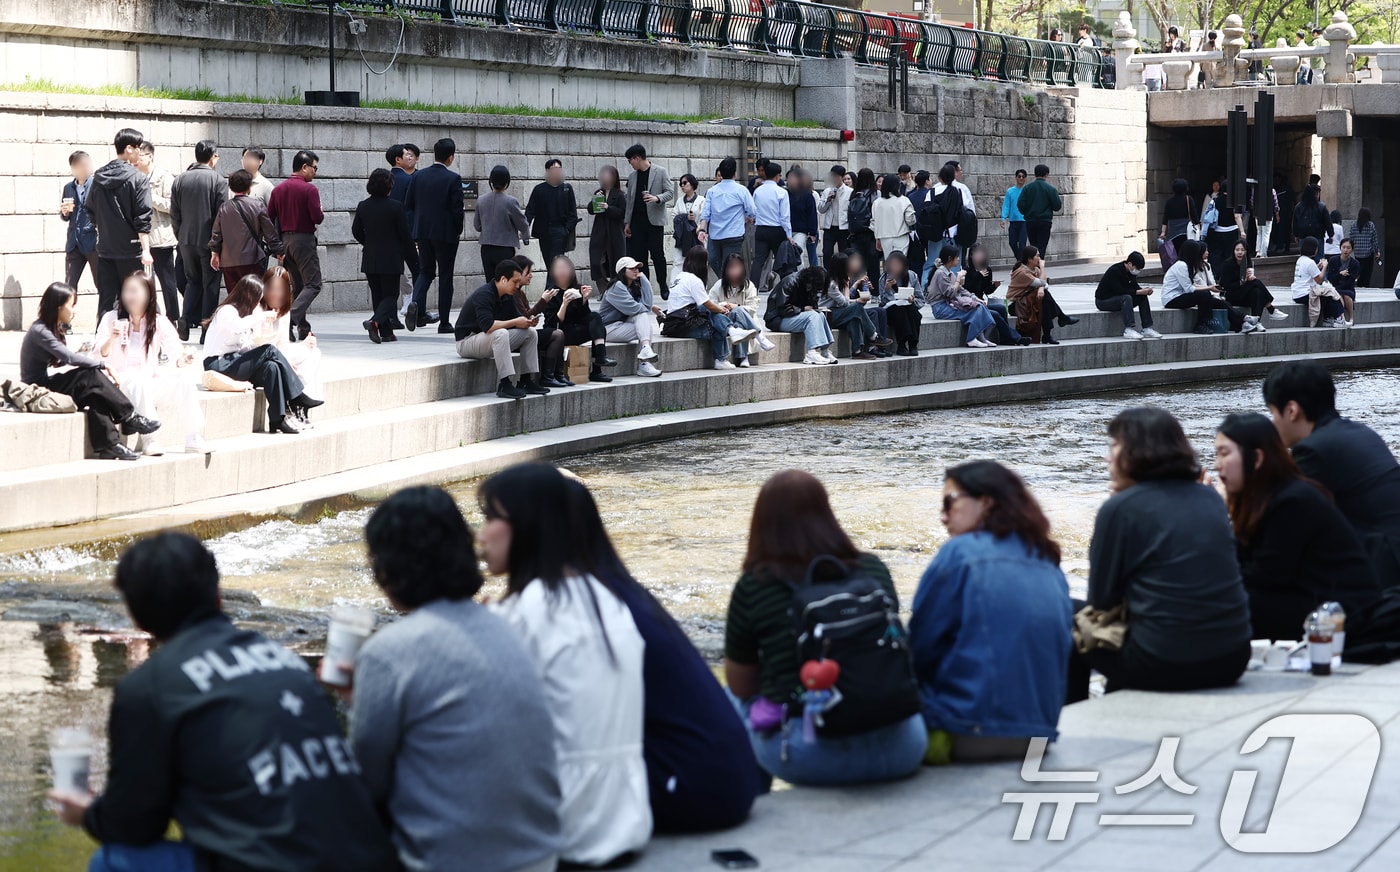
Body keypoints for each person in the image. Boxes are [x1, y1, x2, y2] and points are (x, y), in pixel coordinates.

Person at [47, 533, 399, 872]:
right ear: (217, 596)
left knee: (114, 860)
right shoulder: (286, 662)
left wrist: (89, 813)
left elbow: (137, 826)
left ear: (137, 619)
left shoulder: (148, 688)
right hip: (373, 857)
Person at [348, 487, 564, 872]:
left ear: (387, 569)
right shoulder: (506, 627)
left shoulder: (389, 652)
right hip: (540, 854)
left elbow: (365, 781)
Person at [551, 469, 761, 831]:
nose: (482, 534)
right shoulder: (617, 587)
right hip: (736, 774)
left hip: (697, 789)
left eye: (498, 518)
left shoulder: (592, 605)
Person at [481, 466, 653, 867]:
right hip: (624, 820)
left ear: (525, 526)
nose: (482, 534)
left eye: (491, 518)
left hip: (560, 829)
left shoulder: (527, 611)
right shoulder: (605, 597)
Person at [725, 469, 928, 785]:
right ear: (827, 512)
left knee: (732, 699)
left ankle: (757, 811)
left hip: (813, 759)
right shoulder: (872, 568)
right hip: (904, 747)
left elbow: (742, 686)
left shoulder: (755, 585)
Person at [1066, 408, 1252, 702]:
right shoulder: (1209, 498)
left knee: (1065, 617)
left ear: (1136, 453)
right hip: (1232, 658)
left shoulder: (1120, 509)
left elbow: (1101, 602)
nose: (1107, 457)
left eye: (1114, 446)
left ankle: (1073, 719)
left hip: (1163, 663)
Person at [910, 461, 1072, 763]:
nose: (943, 516)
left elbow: (920, 649)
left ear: (985, 503)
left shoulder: (958, 554)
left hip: (966, 732)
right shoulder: (1046, 559)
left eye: (950, 501)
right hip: (1039, 735)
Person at [1214, 413, 1381, 641]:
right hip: (1309, 598)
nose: (1217, 465)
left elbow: (1267, 575)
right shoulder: (1265, 498)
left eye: (1224, 453)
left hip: (1343, 611)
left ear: (1257, 458)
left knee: (1225, 600)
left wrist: (1217, 518)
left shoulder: (1292, 500)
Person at [1265, 361, 1400, 586]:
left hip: (1384, 575)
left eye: (1272, 413)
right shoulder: (1361, 432)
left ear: (1291, 410)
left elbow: (1284, 518)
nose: (1273, 423)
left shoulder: (1314, 449)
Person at [20, 282, 157, 461]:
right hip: (37, 390)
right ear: (59, 307)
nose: (74, 311)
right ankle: (129, 417)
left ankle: (110, 445)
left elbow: (60, 361)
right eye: (72, 305)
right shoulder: (40, 331)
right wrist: (104, 364)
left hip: (45, 383)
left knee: (95, 393)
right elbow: (69, 359)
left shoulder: (50, 328)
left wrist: (82, 352)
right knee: (92, 374)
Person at [95, 272, 205, 455]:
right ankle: (150, 439)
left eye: (135, 291)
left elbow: (175, 349)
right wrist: (112, 338)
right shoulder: (110, 318)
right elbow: (98, 355)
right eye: (127, 291)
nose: (130, 296)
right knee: (137, 380)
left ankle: (193, 437)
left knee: (184, 379)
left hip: (148, 381)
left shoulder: (158, 321)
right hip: (119, 383)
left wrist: (183, 358)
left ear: (148, 295)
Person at [202, 275, 316, 434]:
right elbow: (238, 326)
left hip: (234, 361)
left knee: (271, 367)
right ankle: (297, 396)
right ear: (248, 296)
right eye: (257, 299)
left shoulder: (243, 315)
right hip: (218, 364)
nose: (257, 303)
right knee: (269, 349)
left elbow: (246, 347)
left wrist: (280, 359)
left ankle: (277, 420)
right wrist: (261, 316)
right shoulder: (226, 311)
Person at [455, 260, 547, 400]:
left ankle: (526, 380)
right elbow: (488, 326)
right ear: (503, 279)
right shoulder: (484, 294)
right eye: (515, 281)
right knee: (501, 333)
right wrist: (516, 322)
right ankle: (505, 384)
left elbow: (517, 319)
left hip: (486, 339)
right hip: (466, 342)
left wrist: (527, 323)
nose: (517, 285)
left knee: (531, 333)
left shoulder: (508, 296)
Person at [88, 128, 154, 318]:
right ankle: (133, 343)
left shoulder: (98, 178)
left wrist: (103, 227)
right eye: (138, 148)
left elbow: (89, 209)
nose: (140, 152)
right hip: (131, 250)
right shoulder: (138, 179)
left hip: (105, 248)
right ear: (128, 149)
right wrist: (146, 250)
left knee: (107, 300)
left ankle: (104, 343)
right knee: (135, 300)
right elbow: (143, 217)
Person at [352, 167, 419, 344]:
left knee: (378, 295)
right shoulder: (395, 207)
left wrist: (369, 242)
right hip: (390, 257)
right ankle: (374, 321)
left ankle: (386, 332)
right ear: (389, 186)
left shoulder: (363, 206)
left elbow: (356, 231)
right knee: (390, 295)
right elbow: (405, 236)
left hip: (370, 257)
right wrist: (415, 260)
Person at [405, 138, 465, 333]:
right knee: (446, 276)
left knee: (426, 271)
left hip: (422, 233)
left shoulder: (418, 176)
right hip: (446, 235)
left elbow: (409, 205)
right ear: (451, 157)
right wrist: (457, 230)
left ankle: (415, 302)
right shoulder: (453, 179)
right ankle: (445, 322)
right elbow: (457, 210)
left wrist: (416, 230)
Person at [171, 140, 228, 337]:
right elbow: (222, 216)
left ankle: (185, 318)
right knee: (210, 285)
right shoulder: (218, 180)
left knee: (192, 281)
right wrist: (217, 245)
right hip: (209, 242)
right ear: (213, 157)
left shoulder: (180, 180)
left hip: (186, 240)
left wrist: (180, 236)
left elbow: (174, 214)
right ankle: (206, 330)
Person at [665, 246, 756, 370]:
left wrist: (718, 308)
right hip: (683, 325)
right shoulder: (694, 280)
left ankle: (731, 333)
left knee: (713, 314)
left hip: (675, 322)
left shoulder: (680, 277)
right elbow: (706, 304)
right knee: (716, 326)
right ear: (701, 263)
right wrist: (721, 309)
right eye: (706, 261)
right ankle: (721, 357)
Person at [266, 149, 325, 340]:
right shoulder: (310, 190)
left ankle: (302, 328)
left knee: (299, 287)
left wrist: (276, 246)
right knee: (314, 284)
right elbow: (317, 217)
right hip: (304, 240)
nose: (315, 172)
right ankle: (288, 320)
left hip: (285, 241)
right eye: (314, 168)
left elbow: (269, 219)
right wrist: (320, 211)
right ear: (304, 167)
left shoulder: (278, 190)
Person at [259, 265, 324, 425]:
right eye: (272, 288)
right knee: (297, 358)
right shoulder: (257, 309)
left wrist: (303, 344)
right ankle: (297, 403)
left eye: (280, 289)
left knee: (314, 352)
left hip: (278, 352)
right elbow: (257, 344)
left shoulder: (284, 310)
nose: (276, 294)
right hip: (262, 357)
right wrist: (285, 360)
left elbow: (282, 344)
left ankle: (303, 405)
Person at [209, 169, 284, 296]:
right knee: (252, 297)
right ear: (249, 187)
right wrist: (279, 251)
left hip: (228, 261)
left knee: (234, 298)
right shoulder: (258, 206)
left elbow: (216, 234)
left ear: (232, 188)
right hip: (252, 259)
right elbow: (270, 233)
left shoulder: (224, 207)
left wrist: (214, 253)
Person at [545, 255, 616, 383]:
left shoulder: (577, 288)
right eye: (559, 268)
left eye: (565, 268)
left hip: (576, 329)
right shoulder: (551, 293)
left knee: (597, 320)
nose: (563, 272)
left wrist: (584, 299)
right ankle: (600, 359)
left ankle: (598, 365)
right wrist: (565, 303)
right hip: (561, 333)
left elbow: (584, 318)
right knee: (597, 326)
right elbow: (553, 323)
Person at [133, 142, 180, 322]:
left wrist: (150, 198)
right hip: (140, 238)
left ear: (150, 156)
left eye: (140, 156)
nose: (136, 160)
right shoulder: (134, 177)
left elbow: (172, 206)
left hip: (161, 238)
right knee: (145, 282)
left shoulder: (165, 178)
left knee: (168, 282)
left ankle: (172, 319)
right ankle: (151, 317)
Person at [506, 255, 569, 387]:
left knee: (559, 333)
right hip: (516, 336)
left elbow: (527, 316)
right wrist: (543, 301)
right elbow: (524, 316)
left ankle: (558, 374)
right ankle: (548, 377)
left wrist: (532, 320)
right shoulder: (512, 293)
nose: (531, 275)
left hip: (525, 332)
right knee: (557, 335)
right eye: (528, 272)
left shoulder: (520, 293)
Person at [599, 256, 664, 378]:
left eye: (637, 268)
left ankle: (645, 354)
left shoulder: (632, 287)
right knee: (642, 317)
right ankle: (644, 359)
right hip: (607, 328)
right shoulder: (616, 287)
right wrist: (649, 307)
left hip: (619, 325)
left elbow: (645, 304)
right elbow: (637, 308)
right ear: (622, 271)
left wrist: (644, 279)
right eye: (632, 268)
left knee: (645, 326)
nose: (636, 271)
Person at [709, 253, 777, 367]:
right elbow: (711, 303)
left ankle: (743, 357)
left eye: (737, 267)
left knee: (739, 313)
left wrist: (737, 306)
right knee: (737, 312)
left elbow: (753, 307)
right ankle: (758, 336)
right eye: (731, 267)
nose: (734, 271)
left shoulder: (748, 285)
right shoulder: (719, 285)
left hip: (745, 320)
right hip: (724, 319)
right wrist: (723, 306)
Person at [623, 144, 675, 290]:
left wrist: (656, 198)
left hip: (654, 222)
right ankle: (645, 288)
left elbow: (670, 192)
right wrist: (627, 223)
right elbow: (630, 201)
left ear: (637, 158)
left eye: (630, 161)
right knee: (640, 258)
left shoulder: (660, 172)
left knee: (658, 255)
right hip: (637, 222)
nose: (630, 164)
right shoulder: (633, 176)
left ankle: (663, 285)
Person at [473, 164, 529, 295]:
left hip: (486, 248)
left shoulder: (481, 200)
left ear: (491, 182)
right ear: (507, 182)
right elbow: (523, 224)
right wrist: (524, 237)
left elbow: (477, 226)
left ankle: (492, 311)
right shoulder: (511, 201)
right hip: (505, 249)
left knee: (490, 283)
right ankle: (504, 313)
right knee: (507, 284)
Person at [698, 157, 756, 281]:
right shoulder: (741, 190)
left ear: (721, 174)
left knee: (717, 262)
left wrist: (702, 229)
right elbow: (752, 210)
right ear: (735, 173)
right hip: (734, 234)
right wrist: (748, 217)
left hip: (716, 235)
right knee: (730, 265)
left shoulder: (712, 191)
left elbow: (705, 214)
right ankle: (728, 284)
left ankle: (727, 284)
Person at [525, 159, 580, 291]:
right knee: (550, 264)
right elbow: (530, 210)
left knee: (555, 263)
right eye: (554, 169)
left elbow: (573, 213)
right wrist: (525, 229)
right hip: (543, 232)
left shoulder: (567, 188)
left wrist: (566, 229)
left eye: (559, 169)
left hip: (560, 232)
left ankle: (549, 294)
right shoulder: (539, 189)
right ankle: (557, 292)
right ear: (548, 172)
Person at [766, 266, 838, 365]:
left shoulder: (809, 287)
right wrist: (802, 309)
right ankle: (811, 353)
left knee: (820, 314)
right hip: (777, 319)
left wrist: (812, 305)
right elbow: (782, 308)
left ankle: (824, 351)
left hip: (792, 316)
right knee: (812, 316)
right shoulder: (790, 282)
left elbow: (811, 306)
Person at [928, 246, 997, 349]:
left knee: (979, 305)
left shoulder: (948, 272)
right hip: (940, 307)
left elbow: (961, 290)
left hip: (948, 304)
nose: (959, 259)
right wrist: (958, 279)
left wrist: (975, 298)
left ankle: (981, 337)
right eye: (957, 257)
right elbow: (950, 293)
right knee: (974, 310)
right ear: (950, 258)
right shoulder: (940, 274)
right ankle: (971, 338)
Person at [1007, 245, 1077, 345]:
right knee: (1044, 297)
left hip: (1027, 301)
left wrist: (1041, 289)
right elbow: (1043, 282)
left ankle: (1049, 333)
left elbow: (1045, 284)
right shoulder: (1022, 272)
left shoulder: (1035, 269)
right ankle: (1059, 321)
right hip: (1015, 306)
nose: (1040, 259)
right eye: (1037, 256)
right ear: (1030, 259)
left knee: (1044, 300)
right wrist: (1042, 268)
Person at [824, 251, 887, 359]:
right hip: (827, 316)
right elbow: (845, 302)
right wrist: (848, 286)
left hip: (837, 313)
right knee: (857, 308)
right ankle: (873, 336)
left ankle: (857, 351)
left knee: (854, 318)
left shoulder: (838, 280)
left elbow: (845, 303)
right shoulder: (832, 284)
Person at [1161, 239, 1233, 335]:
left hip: (1180, 295)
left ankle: (1239, 319)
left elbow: (1193, 285)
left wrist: (1211, 288)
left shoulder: (1187, 265)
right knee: (1204, 295)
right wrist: (1209, 288)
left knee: (1215, 301)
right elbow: (1189, 288)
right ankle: (1201, 325)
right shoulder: (1181, 265)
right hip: (1171, 299)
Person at [387, 143, 423, 329]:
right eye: (404, 155)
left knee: (393, 274)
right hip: (407, 233)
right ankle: (418, 309)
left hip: (388, 235)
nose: (408, 157)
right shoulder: (410, 180)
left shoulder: (385, 179)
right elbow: (414, 208)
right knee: (418, 271)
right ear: (398, 160)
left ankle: (392, 316)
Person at [963, 243, 1028, 346]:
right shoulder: (967, 271)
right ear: (971, 255)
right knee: (995, 314)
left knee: (1001, 308)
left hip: (982, 302)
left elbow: (986, 291)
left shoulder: (987, 270)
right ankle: (1017, 338)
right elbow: (966, 290)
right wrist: (977, 276)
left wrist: (994, 286)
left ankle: (1005, 338)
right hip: (972, 304)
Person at [1095, 251, 1160, 340]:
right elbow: (1119, 290)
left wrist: (1144, 291)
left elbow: (1134, 287)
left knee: (1142, 296)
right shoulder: (1115, 270)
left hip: (1118, 299)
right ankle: (1128, 329)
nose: (1137, 271)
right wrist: (1138, 292)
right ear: (1129, 264)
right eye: (1137, 268)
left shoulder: (1130, 272)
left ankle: (1146, 328)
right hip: (1103, 301)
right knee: (1127, 297)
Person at [60, 150, 100, 296]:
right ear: (74, 168)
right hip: (73, 243)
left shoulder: (97, 185)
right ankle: (65, 318)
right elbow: (66, 216)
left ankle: (106, 317)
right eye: (82, 165)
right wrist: (64, 213)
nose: (87, 168)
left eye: (88, 164)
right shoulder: (68, 188)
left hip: (93, 242)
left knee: (101, 283)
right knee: (69, 285)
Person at [1219, 240, 1283, 331]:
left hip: (1244, 295)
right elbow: (1226, 286)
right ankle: (1270, 308)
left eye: (1242, 250)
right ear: (1233, 251)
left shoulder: (1247, 262)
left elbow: (1248, 281)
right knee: (1255, 282)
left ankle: (1257, 322)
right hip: (1232, 295)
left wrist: (1249, 279)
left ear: (1246, 251)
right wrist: (1243, 281)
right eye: (1237, 250)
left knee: (1257, 292)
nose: (1240, 252)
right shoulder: (1227, 264)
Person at [749, 160, 792, 290]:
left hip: (761, 229)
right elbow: (785, 216)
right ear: (777, 176)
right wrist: (789, 234)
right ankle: (787, 288)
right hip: (777, 230)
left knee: (758, 261)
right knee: (782, 261)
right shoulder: (781, 192)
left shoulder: (758, 191)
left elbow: (753, 211)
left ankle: (751, 289)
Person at [877, 250, 926, 355]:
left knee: (913, 311)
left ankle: (913, 344)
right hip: (892, 310)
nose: (895, 267)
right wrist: (887, 289)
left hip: (908, 307)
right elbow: (884, 302)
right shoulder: (884, 278)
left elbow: (921, 299)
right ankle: (901, 344)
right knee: (899, 310)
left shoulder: (912, 276)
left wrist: (913, 300)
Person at [1290, 236, 1345, 328]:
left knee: (1326, 296)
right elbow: (1319, 279)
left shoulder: (1300, 260)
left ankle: (1328, 319)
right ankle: (1338, 319)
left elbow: (1308, 272)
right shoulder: (1310, 262)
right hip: (1305, 294)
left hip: (1297, 294)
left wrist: (1317, 267)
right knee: (1331, 295)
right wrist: (1324, 267)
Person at [588, 165, 628, 288]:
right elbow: (591, 210)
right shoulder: (599, 192)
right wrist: (595, 200)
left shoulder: (620, 195)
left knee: (615, 263)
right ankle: (604, 289)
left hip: (614, 232)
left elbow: (622, 213)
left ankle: (615, 289)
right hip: (599, 232)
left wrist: (608, 208)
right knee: (596, 262)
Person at [1016, 164, 1062, 257]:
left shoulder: (1027, 188)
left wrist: (1026, 212)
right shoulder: (1050, 189)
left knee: (1033, 246)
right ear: (1046, 174)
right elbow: (1057, 206)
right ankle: (1040, 267)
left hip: (1030, 221)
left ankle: (1033, 267)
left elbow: (1020, 203)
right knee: (1042, 246)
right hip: (1045, 221)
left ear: (1035, 174)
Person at [872, 173, 915, 261]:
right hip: (901, 235)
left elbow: (874, 222)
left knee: (889, 262)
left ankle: (890, 275)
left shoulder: (877, 202)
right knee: (900, 262)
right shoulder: (904, 200)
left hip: (884, 237)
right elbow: (910, 220)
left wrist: (877, 238)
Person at [671, 172, 705, 283]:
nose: (682, 186)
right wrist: (685, 217)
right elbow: (674, 215)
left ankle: (698, 286)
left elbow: (704, 217)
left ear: (692, 184)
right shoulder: (680, 200)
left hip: (696, 236)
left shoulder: (701, 200)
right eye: (681, 184)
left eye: (685, 183)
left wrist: (697, 225)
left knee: (697, 262)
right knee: (678, 261)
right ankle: (675, 285)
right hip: (682, 236)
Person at [847, 168, 880, 279]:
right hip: (870, 232)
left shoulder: (854, 193)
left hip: (856, 233)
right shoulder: (875, 193)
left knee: (857, 262)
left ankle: (857, 288)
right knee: (873, 263)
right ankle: (874, 291)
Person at [817, 164, 851, 265]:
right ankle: (827, 275)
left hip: (844, 228)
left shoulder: (850, 192)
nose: (834, 178)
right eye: (832, 176)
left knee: (844, 254)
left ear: (842, 177)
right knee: (827, 253)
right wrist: (828, 200)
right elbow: (821, 209)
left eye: (836, 176)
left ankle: (844, 275)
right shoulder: (827, 191)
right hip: (829, 227)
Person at [787, 167, 820, 269]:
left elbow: (812, 215)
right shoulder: (784, 194)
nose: (790, 181)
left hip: (801, 231)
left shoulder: (807, 195)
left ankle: (799, 278)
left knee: (798, 254)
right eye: (788, 178)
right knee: (787, 256)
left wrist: (812, 232)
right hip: (786, 229)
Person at [1158, 178, 1196, 262]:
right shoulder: (1188, 199)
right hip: (1186, 232)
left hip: (1173, 233)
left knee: (1174, 255)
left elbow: (1165, 218)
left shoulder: (1169, 202)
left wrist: (1163, 232)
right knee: (1187, 255)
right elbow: (1194, 216)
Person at [1326, 237, 1361, 325]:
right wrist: (1340, 274)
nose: (1346, 250)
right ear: (1340, 248)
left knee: (1347, 296)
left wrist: (1340, 287)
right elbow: (1330, 277)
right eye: (1343, 247)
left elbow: (1352, 280)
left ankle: (1351, 318)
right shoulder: (1333, 260)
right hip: (1335, 287)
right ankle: (1342, 318)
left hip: (1348, 288)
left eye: (1348, 248)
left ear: (1352, 249)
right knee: (1339, 295)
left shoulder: (1355, 264)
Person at [999, 168, 1028, 260]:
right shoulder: (1010, 191)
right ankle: (1020, 260)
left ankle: (1021, 262)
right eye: (1019, 176)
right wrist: (1003, 218)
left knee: (1022, 245)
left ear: (1025, 178)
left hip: (1024, 221)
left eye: (1023, 177)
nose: (1021, 178)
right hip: (1014, 220)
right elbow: (1006, 205)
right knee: (1012, 243)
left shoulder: (1027, 191)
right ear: (1016, 178)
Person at [1292, 184, 1331, 250]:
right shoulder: (1321, 206)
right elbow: (1327, 221)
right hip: (1318, 236)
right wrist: (1331, 234)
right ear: (1316, 194)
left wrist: (1296, 234)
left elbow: (1295, 222)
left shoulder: (1299, 206)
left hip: (1303, 236)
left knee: (1304, 256)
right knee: (1318, 256)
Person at [1349, 207, 1381, 288]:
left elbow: (1351, 238)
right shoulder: (1370, 225)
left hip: (1357, 253)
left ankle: (1358, 284)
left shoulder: (1354, 225)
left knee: (1359, 270)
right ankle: (1365, 285)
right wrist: (1377, 251)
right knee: (1367, 272)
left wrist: (1351, 249)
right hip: (1368, 253)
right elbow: (1374, 240)